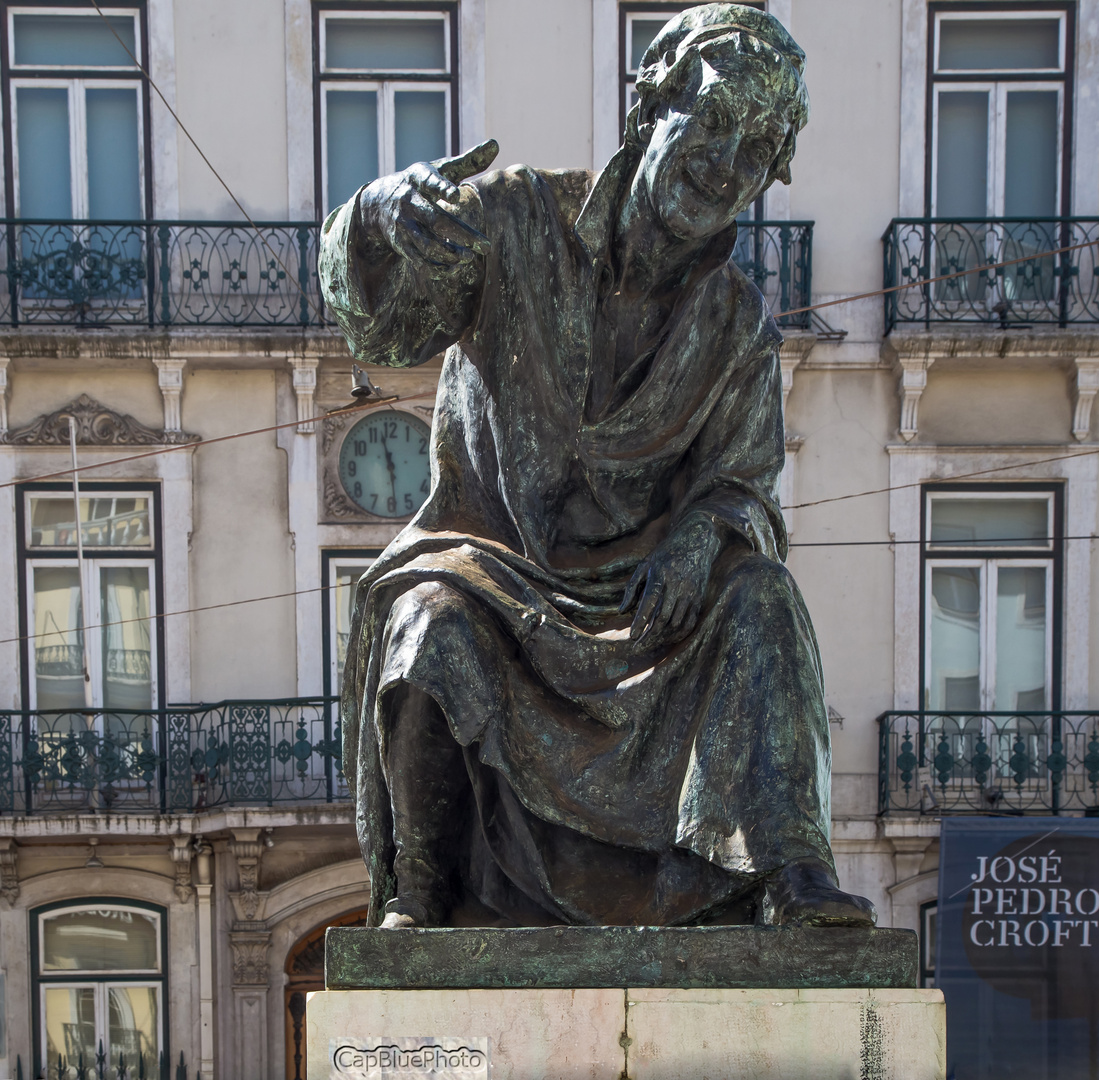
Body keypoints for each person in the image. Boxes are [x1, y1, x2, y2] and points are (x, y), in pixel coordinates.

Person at [321, 3, 876, 930]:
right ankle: (420, 892)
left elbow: (744, 486)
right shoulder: (515, 219)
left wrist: (701, 539)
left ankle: (791, 871)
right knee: (425, 620)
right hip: (496, 575)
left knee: (764, 599)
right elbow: (385, 326)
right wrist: (379, 222)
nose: (725, 164)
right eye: (712, 125)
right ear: (650, 110)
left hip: (648, 608)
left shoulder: (736, 322)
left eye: (754, 152)